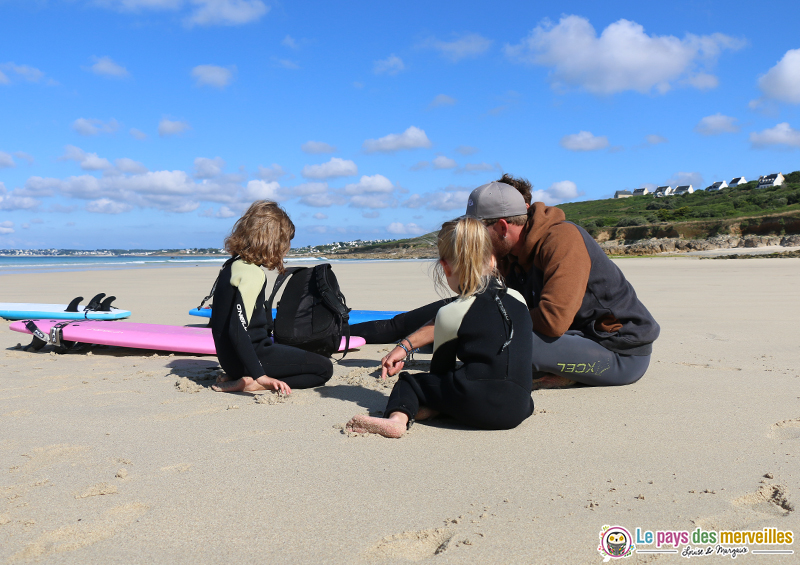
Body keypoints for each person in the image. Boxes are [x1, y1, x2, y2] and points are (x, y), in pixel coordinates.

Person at [357, 178, 660, 389]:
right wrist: (410, 340)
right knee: (453, 315)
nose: (472, 241)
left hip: (616, 353)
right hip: (569, 340)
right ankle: (339, 333)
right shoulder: (509, 253)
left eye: (477, 232)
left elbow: (552, 323)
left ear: (501, 227)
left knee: (498, 339)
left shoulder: (563, 240)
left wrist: (462, 327)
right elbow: (475, 306)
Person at [346, 217, 534, 438]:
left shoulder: (452, 312)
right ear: (493, 260)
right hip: (519, 408)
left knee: (411, 382)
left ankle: (397, 420)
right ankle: (437, 410)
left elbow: (440, 371)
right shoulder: (519, 300)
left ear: (445, 267)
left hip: (477, 405)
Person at [210, 201, 333, 394]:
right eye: (286, 242)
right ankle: (253, 383)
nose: (287, 249)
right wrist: (260, 375)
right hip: (252, 358)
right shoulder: (251, 274)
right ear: (273, 242)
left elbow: (220, 324)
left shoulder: (231, 266)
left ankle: (241, 377)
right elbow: (237, 329)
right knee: (324, 368)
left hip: (230, 360)